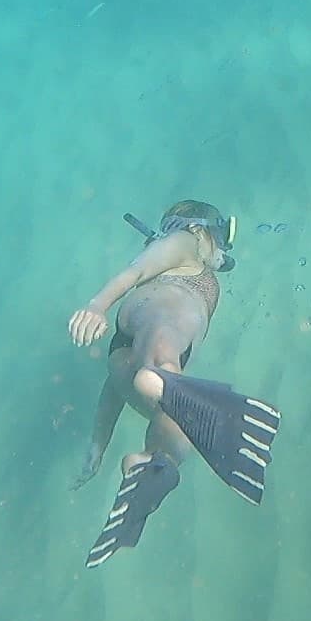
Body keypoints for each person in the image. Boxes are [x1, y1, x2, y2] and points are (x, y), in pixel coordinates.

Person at [65, 200, 282, 568]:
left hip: (131, 367)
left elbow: (114, 388)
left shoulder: (191, 257)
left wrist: (97, 446)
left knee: (179, 430)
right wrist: (96, 305)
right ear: (201, 228)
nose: (225, 249)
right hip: (158, 342)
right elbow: (133, 272)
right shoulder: (186, 241)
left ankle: (152, 464)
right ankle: (158, 379)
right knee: (164, 350)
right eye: (224, 234)